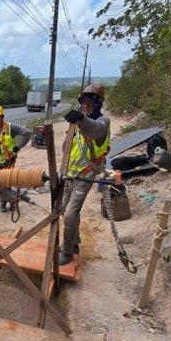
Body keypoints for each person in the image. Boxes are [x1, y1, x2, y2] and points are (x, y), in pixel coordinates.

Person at [59, 83, 111, 265]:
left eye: (90, 103)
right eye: (83, 103)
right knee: (65, 210)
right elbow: (66, 149)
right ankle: (74, 243)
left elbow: (93, 130)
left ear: (98, 104)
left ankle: (66, 251)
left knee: (70, 215)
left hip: (86, 175)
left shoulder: (103, 123)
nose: (86, 106)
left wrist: (81, 119)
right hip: (69, 175)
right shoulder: (78, 124)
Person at [0, 105, 31, 213]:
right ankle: (13, 200)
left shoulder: (10, 128)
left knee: (6, 184)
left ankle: (4, 204)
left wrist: (18, 147)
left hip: (8, 163)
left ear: (2, 116)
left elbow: (27, 133)